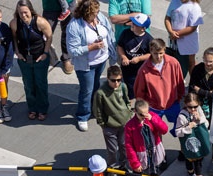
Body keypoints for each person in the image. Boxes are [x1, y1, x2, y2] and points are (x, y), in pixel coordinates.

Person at [67, 0, 115, 132]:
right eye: (94, 13)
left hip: (101, 60)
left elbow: (109, 33)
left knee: (96, 86)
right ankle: (82, 116)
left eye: (98, 11)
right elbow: (73, 50)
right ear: (86, 13)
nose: (98, 15)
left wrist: (111, 52)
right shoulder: (74, 26)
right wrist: (90, 47)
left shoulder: (100, 17)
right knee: (86, 90)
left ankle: (95, 109)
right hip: (86, 65)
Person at [124, 98, 168, 176]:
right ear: (135, 112)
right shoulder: (130, 126)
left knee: (155, 175)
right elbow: (128, 146)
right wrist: (135, 163)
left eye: (146, 113)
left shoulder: (152, 117)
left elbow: (164, 129)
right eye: (141, 114)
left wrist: (153, 119)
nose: (144, 116)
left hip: (153, 153)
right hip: (140, 156)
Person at [11, 0, 53, 121]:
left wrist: (45, 53)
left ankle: (43, 109)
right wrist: (17, 52)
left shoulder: (40, 22)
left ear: (31, 10)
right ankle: (32, 107)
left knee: (41, 84)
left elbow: (49, 37)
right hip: (24, 59)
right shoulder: (14, 23)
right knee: (28, 85)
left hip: (40, 58)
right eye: (20, 13)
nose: (23, 15)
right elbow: (14, 38)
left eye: (25, 12)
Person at [189, 47, 213, 175]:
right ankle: (196, 156)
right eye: (205, 60)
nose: (207, 64)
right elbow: (191, 88)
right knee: (199, 131)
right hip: (198, 107)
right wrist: (209, 92)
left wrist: (200, 91)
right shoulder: (198, 69)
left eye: (210, 61)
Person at [93, 65, 131, 176]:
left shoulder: (123, 87)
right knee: (112, 150)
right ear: (107, 79)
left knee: (124, 147)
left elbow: (127, 101)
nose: (116, 83)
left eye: (119, 80)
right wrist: (103, 125)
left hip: (124, 125)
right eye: (113, 80)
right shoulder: (101, 93)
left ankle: (123, 166)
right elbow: (97, 110)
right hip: (110, 127)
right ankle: (111, 169)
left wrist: (128, 113)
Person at [134, 38, 185, 124]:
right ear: (150, 51)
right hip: (153, 107)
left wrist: (178, 99)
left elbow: (180, 83)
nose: (158, 56)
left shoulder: (174, 63)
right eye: (155, 53)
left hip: (173, 104)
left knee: (180, 127)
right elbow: (140, 92)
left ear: (165, 50)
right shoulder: (143, 70)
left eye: (161, 53)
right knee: (155, 132)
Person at [174, 93, 210, 176]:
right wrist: (188, 127)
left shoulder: (199, 110)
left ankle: (198, 175)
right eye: (190, 107)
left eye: (195, 106)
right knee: (190, 157)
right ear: (185, 104)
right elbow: (177, 132)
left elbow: (206, 124)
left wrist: (199, 120)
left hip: (198, 140)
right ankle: (190, 173)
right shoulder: (181, 116)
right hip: (188, 142)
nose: (193, 109)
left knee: (198, 158)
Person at [116, 14, 152, 98]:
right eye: (133, 22)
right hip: (126, 68)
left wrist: (139, 58)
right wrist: (124, 56)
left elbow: (150, 54)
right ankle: (128, 101)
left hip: (140, 70)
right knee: (126, 87)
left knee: (136, 89)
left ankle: (133, 102)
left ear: (143, 28)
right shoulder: (126, 33)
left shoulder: (148, 39)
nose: (132, 24)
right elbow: (120, 46)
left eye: (136, 24)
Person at [165, 0, 203, 78]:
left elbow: (193, 27)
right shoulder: (174, 2)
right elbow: (167, 18)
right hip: (174, 40)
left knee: (190, 62)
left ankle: (194, 84)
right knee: (176, 61)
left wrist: (177, 34)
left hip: (188, 43)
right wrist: (170, 31)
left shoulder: (195, 7)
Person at [42, 0, 75, 75]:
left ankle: (66, 57)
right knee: (45, 34)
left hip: (69, 3)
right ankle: (49, 56)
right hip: (50, 5)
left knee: (68, 31)